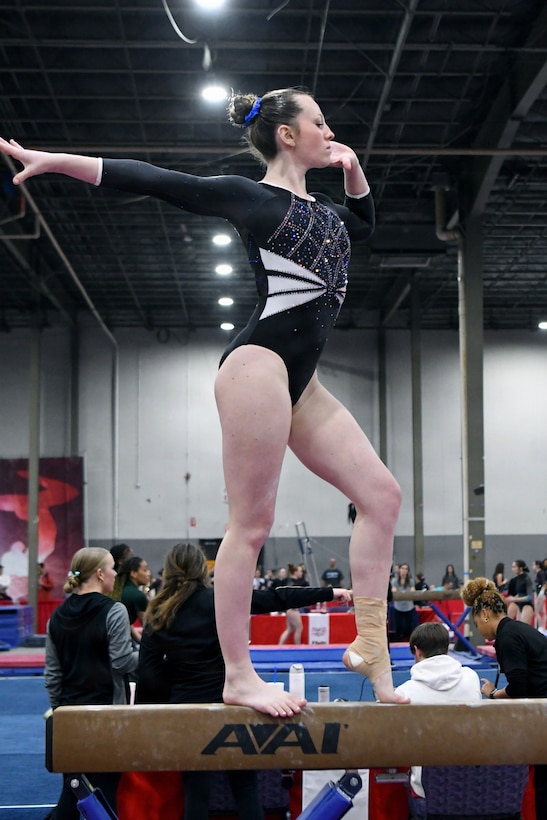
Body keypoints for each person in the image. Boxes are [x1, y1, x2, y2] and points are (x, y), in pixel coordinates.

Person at [0, 87, 405, 716]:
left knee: (381, 496)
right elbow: (153, 179)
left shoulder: (325, 212)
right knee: (251, 526)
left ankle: (372, 646)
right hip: (258, 367)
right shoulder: (251, 197)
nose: (331, 131)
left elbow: (365, 227)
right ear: (287, 136)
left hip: (302, 381)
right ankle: (238, 674)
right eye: (319, 122)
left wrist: (354, 173)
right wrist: (53, 160)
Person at [137, 542, 352, 819]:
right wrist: (331, 593)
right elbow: (276, 597)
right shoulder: (219, 600)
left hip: (186, 711)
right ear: (202, 569)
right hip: (230, 706)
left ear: (168, 571)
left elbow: (149, 676)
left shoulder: (158, 612)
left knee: (196, 792)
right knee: (245, 787)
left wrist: (146, 718)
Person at [45, 547, 138, 818]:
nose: (114, 574)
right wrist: (149, 656)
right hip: (106, 715)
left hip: (70, 715)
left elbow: (52, 675)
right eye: (112, 568)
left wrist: (60, 712)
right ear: (99, 573)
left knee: (75, 790)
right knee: (104, 791)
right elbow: (121, 662)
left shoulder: (57, 617)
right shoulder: (114, 611)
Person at [462, 577, 547, 820]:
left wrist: (492, 693)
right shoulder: (520, 629)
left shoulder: (507, 637)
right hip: (542, 707)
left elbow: (519, 687)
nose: (478, 628)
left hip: (544, 712)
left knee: (544, 785)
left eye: (477, 621)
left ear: (486, 613)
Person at [395, 622, 481, 799]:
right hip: (473, 782)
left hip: (426, 789)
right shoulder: (471, 677)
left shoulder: (404, 693)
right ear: (447, 650)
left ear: (417, 651)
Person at [111, 555, 151, 643]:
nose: (148, 573)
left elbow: (128, 624)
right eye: (145, 570)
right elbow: (149, 629)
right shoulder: (138, 595)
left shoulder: (120, 591)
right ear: (133, 573)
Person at [278, 562, 305, 645]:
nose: (301, 573)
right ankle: (298, 646)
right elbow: (291, 596)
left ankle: (280, 645)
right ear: (295, 572)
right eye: (300, 571)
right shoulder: (293, 583)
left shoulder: (291, 582)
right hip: (293, 609)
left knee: (290, 629)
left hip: (289, 609)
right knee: (299, 628)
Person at [391, 563, 417, 642]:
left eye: (406, 569)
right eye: (402, 568)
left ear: (408, 571)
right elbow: (394, 591)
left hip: (409, 607)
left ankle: (410, 642)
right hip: (398, 607)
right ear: (399, 570)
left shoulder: (411, 581)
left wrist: (408, 593)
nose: (404, 570)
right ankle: (398, 642)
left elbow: (413, 592)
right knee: (398, 627)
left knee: (410, 627)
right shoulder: (394, 581)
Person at [506, 559, 534, 625]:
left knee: (523, 628)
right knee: (507, 622)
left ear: (520, 568)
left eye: (514, 567)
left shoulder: (527, 578)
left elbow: (529, 597)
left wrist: (514, 599)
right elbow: (517, 593)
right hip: (518, 604)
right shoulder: (515, 579)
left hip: (527, 605)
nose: (512, 569)